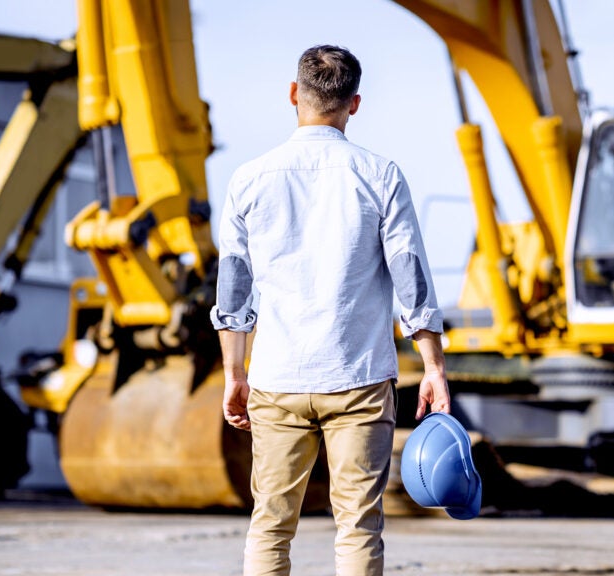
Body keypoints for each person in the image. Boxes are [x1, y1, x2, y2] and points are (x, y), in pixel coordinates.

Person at [210, 44, 451, 576]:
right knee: (358, 526)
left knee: (270, 524)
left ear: (295, 94)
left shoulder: (249, 179)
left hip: (277, 378)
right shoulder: (381, 175)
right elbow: (411, 277)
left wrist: (233, 373)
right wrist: (433, 368)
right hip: (359, 377)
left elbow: (233, 291)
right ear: (354, 104)